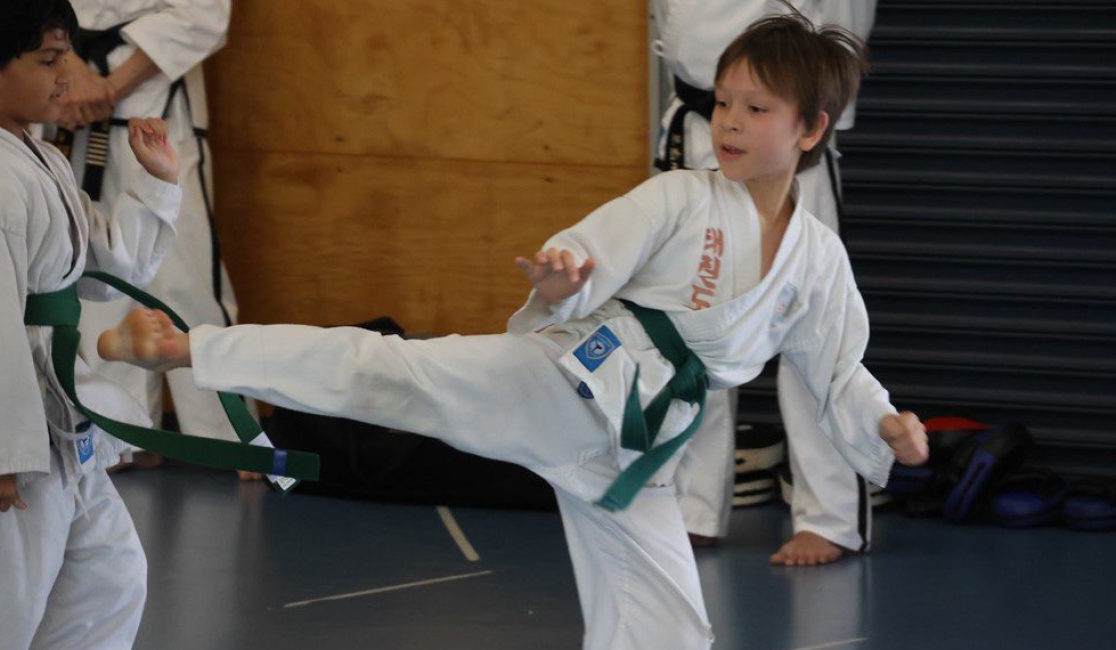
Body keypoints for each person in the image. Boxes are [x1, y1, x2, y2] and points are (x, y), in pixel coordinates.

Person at [98, 12, 927, 649]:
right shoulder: (681, 197)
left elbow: (838, 367)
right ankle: (192, 347)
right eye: (725, 103)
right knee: (388, 372)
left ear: (812, 130)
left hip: (639, 454)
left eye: (757, 108)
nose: (732, 122)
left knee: (672, 628)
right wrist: (566, 275)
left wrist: (884, 424)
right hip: (569, 382)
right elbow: (593, 246)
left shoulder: (817, 259)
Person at [0, 1, 181, 647]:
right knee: (2, 607)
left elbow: (99, 271)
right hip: (12, 432)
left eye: (68, 53)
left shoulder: (37, 156)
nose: (70, 72)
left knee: (109, 577)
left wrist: (155, 186)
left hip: (59, 413)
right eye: (48, 58)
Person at [654, 0, 880, 564]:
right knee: (688, 323)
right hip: (700, 122)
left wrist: (812, 126)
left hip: (786, 137)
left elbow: (844, 18)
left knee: (812, 323)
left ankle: (830, 517)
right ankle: (692, 507)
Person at [49, 0, 247, 474]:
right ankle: (122, 431)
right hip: (63, 97)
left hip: (155, 102)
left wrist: (106, 88)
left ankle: (223, 432)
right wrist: (68, 64)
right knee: (94, 271)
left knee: (185, 274)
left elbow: (204, 13)